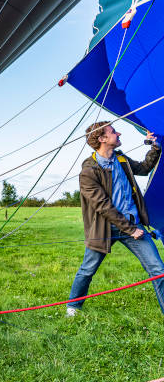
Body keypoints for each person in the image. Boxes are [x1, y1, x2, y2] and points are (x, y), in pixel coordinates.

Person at [66, 122, 163, 317]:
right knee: (87, 270)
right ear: (102, 139)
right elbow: (102, 205)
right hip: (105, 229)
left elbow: (144, 169)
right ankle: (73, 307)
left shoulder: (121, 159)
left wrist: (155, 148)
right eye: (112, 132)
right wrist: (130, 229)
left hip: (133, 226)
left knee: (158, 270)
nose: (118, 133)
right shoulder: (89, 171)